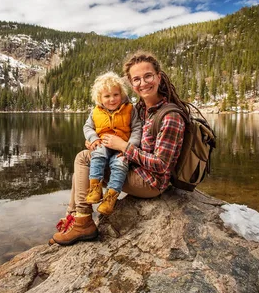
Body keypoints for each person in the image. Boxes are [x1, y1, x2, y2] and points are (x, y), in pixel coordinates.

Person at [51, 50, 187, 246]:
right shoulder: (140, 108)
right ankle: (74, 218)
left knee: (83, 160)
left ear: (158, 77)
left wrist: (123, 147)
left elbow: (162, 165)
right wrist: (95, 141)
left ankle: (82, 222)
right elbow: (104, 128)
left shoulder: (170, 116)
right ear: (131, 84)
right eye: (137, 79)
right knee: (85, 162)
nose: (143, 83)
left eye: (148, 76)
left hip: (150, 181)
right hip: (134, 167)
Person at [83, 72, 142, 216]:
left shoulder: (130, 109)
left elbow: (137, 129)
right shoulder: (95, 111)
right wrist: (93, 139)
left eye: (116, 94)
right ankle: (95, 187)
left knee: (120, 164)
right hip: (103, 143)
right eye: (107, 96)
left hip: (122, 146)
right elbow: (88, 127)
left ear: (121, 94)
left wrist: (130, 146)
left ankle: (111, 197)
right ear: (100, 98)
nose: (112, 99)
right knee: (98, 154)